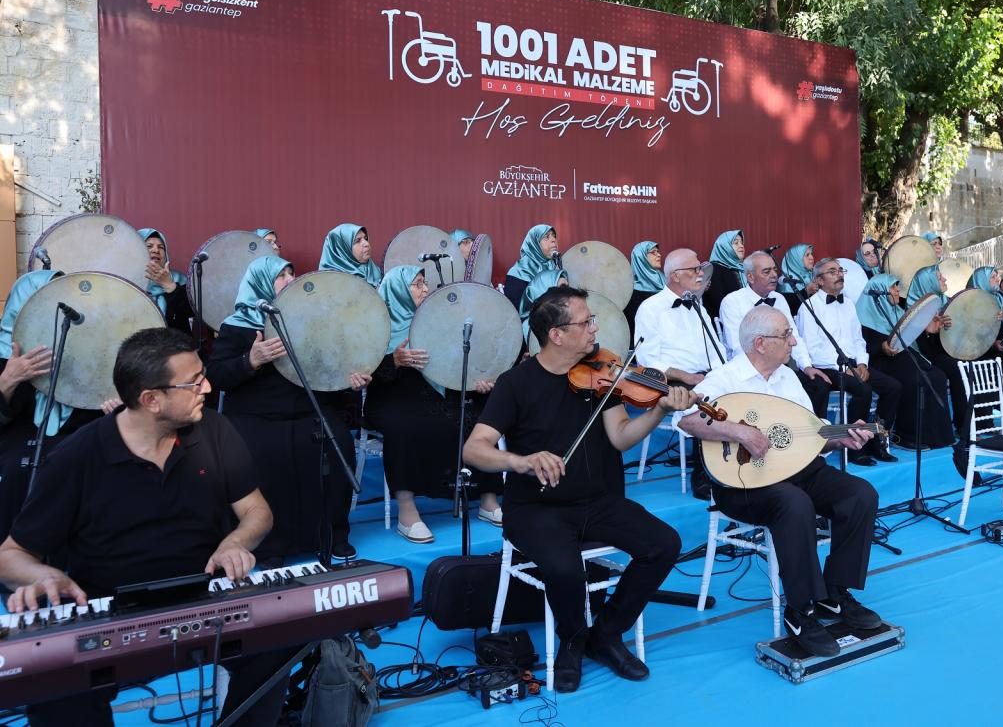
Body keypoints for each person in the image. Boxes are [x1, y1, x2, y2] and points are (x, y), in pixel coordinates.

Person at [0, 327, 289, 727]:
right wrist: (45, 576)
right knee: (56, 691)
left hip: (204, 601)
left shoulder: (214, 429)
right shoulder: (77, 456)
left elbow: (258, 511)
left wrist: (234, 543)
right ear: (151, 399)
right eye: (193, 382)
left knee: (277, 648)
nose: (207, 386)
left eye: (203, 374)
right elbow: (11, 555)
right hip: (109, 617)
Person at [463, 286, 694, 693]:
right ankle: (571, 640)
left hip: (597, 501)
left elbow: (621, 438)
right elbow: (474, 449)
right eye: (586, 322)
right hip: (536, 508)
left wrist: (658, 409)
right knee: (565, 567)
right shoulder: (516, 383)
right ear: (556, 333)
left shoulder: (603, 373)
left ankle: (605, 634)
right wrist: (521, 461)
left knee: (663, 543)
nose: (594, 328)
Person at [679, 306, 882, 657]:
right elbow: (687, 419)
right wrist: (739, 431)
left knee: (860, 494)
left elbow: (810, 434)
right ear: (760, 343)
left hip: (797, 470)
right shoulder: (726, 379)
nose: (794, 341)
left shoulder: (788, 378)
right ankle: (800, 610)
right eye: (786, 335)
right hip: (742, 484)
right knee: (794, 504)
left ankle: (834, 593)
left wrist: (841, 437)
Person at [208, 256, 367, 561]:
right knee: (266, 455)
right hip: (256, 415)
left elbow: (328, 368)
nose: (289, 280)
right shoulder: (237, 326)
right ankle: (270, 544)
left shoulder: (310, 321)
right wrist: (250, 360)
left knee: (338, 444)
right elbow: (216, 376)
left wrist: (351, 380)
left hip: (308, 410)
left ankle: (332, 533)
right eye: (281, 275)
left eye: (291, 273)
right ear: (260, 282)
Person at [366, 267, 501, 543]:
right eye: (417, 285)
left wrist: (479, 380)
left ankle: (487, 499)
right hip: (393, 394)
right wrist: (395, 360)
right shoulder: (377, 327)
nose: (425, 289)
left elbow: (459, 360)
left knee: (475, 417)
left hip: (437, 391)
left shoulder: (438, 321)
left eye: (424, 284)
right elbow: (365, 371)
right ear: (397, 291)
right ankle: (407, 509)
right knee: (404, 427)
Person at [0, 271, 100, 542]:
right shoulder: (3, 352)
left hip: (71, 437)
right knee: (17, 472)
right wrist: (9, 379)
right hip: (16, 439)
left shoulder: (85, 347)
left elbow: (95, 408)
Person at [633, 248, 727, 496]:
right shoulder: (650, 308)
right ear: (675, 275)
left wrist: (723, 374)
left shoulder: (698, 307)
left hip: (705, 377)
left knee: (740, 389)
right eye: (694, 270)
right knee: (703, 398)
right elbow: (647, 360)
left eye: (700, 269)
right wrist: (686, 376)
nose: (700, 274)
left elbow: (716, 348)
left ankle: (735, 464)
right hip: (670, 381)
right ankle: (704, 474)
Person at [795, 258, 901, 461]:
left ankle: (877, 441)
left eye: (840, 270)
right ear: (818, 280)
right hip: (826, 366)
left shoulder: (849, 305)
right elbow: (812, 349)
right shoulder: (808, 307)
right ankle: (854, 448)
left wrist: (862, 363)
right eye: (832, 272)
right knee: (863, 389)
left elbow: (858, 339)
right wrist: (843, 368)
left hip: (853, 363)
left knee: (893, 387)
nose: (839, 275)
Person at [719, 251, 835, 421]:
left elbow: (793, 335)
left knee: (818, 384)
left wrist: (806, 365)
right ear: (750, 277)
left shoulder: (779, 299)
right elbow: (738, 346)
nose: (774, 275)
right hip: (749, 369)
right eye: (766, 272)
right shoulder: (732, 301)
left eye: (774, 270)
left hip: (779, 367)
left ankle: (809, 436)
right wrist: (766, 369)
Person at [857, 274, 948, 451]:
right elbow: (859, 348)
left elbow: (915, 343)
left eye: (897, 286)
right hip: (879, 363)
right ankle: (906, 436)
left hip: (904, 358)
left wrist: (928, 331)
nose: (898, 290)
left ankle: (936, 436)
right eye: (893, 287)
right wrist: (881, 347)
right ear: (880, 292)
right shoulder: (862, 316)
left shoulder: (898, 312)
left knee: (937, 376)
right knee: (915, 379)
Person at [904, 264, 966, 443]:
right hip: (921, 357)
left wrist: (946, 327)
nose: (944, 280)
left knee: (964, 365)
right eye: (939, 277)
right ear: (928, 283)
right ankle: (961, 427)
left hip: (942, 352)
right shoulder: (913, 306)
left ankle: (965, 424)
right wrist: (930, 331)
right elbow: (919, 347)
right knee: (956, 368)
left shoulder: (943, 301)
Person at [138, 228, 194, 334]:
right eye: (149, 246)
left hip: (175, 347)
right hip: (138, 348)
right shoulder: (126, 282)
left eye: (161, 247)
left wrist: (169, 285)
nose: (156, 250)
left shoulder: (180, 280)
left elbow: (191, 311)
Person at [503, 224, 559, 307]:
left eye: (554, 236)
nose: (553, 240)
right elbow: (516, 310)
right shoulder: (518, 272)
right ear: (534, 244)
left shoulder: (555, 267)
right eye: (546, 237)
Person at [319, 223, 382, 287]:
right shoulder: (328, 282)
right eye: (357, 241)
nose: (366, 244)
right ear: (341, 248)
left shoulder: (376, 272)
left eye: (365, 239)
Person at [703, 229, 746, 319]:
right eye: (736, 243)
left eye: (742, 243)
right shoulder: (715, 269)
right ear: (724, 247)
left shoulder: (743, 269)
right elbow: (718, 301)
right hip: (725, 322)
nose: (741, 246)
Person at [624, 241, 663, 336]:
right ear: (640, 257)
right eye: (653, 252)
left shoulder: (667, 281)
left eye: (658, 252)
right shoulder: (630, 294)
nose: (659, 255)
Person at [779, 243, 819, 315]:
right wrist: (807, 292)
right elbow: (791, 308)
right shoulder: (787, 282)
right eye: (807, 255)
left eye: (811, 254)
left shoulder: (812, 275)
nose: (811, 257)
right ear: (795, 259)